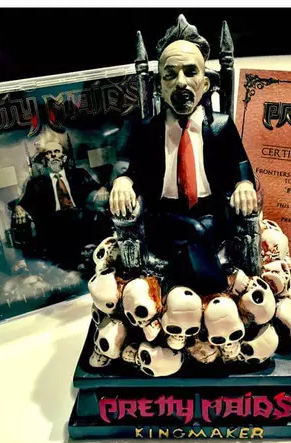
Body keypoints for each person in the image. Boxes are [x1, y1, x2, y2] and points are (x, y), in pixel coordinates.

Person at [109, 16, 258, 293]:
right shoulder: (146, 129)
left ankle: (175, 289)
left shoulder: (221, 126)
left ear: (206, 83)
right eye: (170, 74)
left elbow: (240, 162)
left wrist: (244, 183)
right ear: (159, 85)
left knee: (201, 232)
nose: (181, 82)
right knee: (194, 232)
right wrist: (123, 181)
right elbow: (128, 165)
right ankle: (217, 292)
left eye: (191, 72)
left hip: (211, 212)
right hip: (163, 216)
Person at [13, 127, 104, 269]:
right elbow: (23, 204)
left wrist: (102, 191)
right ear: (44, 159)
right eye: (49, 153)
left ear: (64, 157)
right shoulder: (36, 184)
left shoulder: (79, 175)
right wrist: (19, 208)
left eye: (57, 151)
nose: (54, 155)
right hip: (55, 232)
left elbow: (98, 189)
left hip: (82, 227)